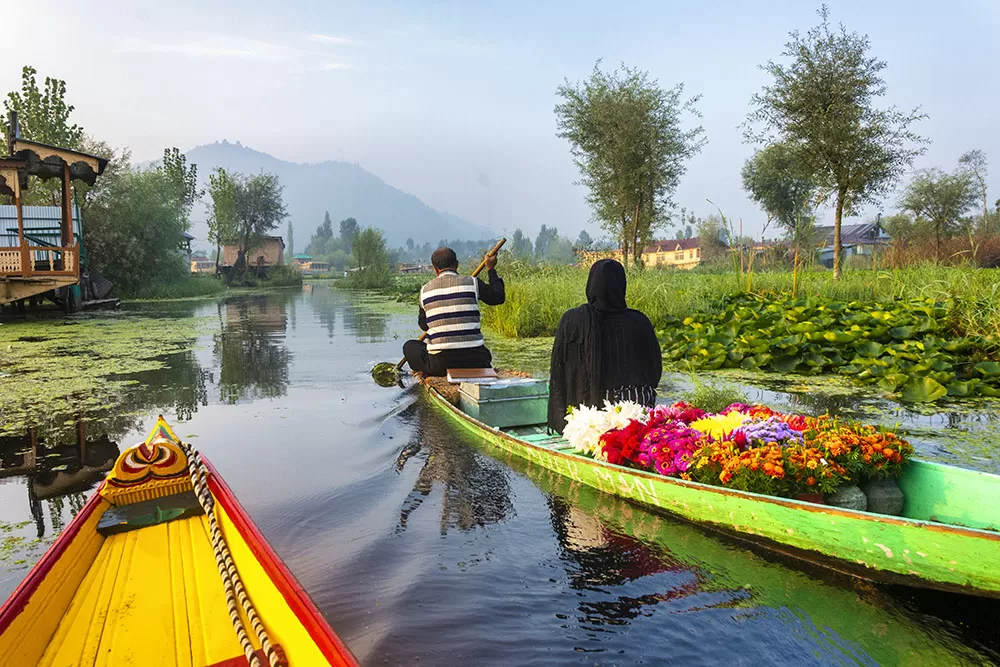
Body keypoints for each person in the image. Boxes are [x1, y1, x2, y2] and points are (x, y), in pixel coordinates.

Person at [547, 258, 662, 433]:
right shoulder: (640, 321)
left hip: (591, 418)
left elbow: (559, 372)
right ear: (621, 286)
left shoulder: (573, 320)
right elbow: (654, 371)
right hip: (639, 412)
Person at [402, 246, 505, 376]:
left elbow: (424, 326)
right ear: (457, 264)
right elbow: (498, 297)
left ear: (435, 269)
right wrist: (491, 269)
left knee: (409, 346)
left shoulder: (425, 291)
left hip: (440, 365)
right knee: (479, 350)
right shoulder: (473, 283)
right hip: (477, 361)